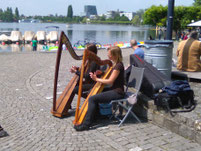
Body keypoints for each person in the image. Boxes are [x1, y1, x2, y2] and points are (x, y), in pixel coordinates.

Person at [74, 46, 125, 131]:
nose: (108, 57)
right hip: (113, 89)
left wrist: (96, 79)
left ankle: (86, 124)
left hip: (117, 92)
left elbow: (110, 81)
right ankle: (96, 115)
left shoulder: (118, 66)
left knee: (92, 98)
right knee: (92, 93)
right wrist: (102, 72)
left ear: (115, 55)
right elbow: (110, 75)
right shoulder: (115, 64)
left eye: (110, 55)